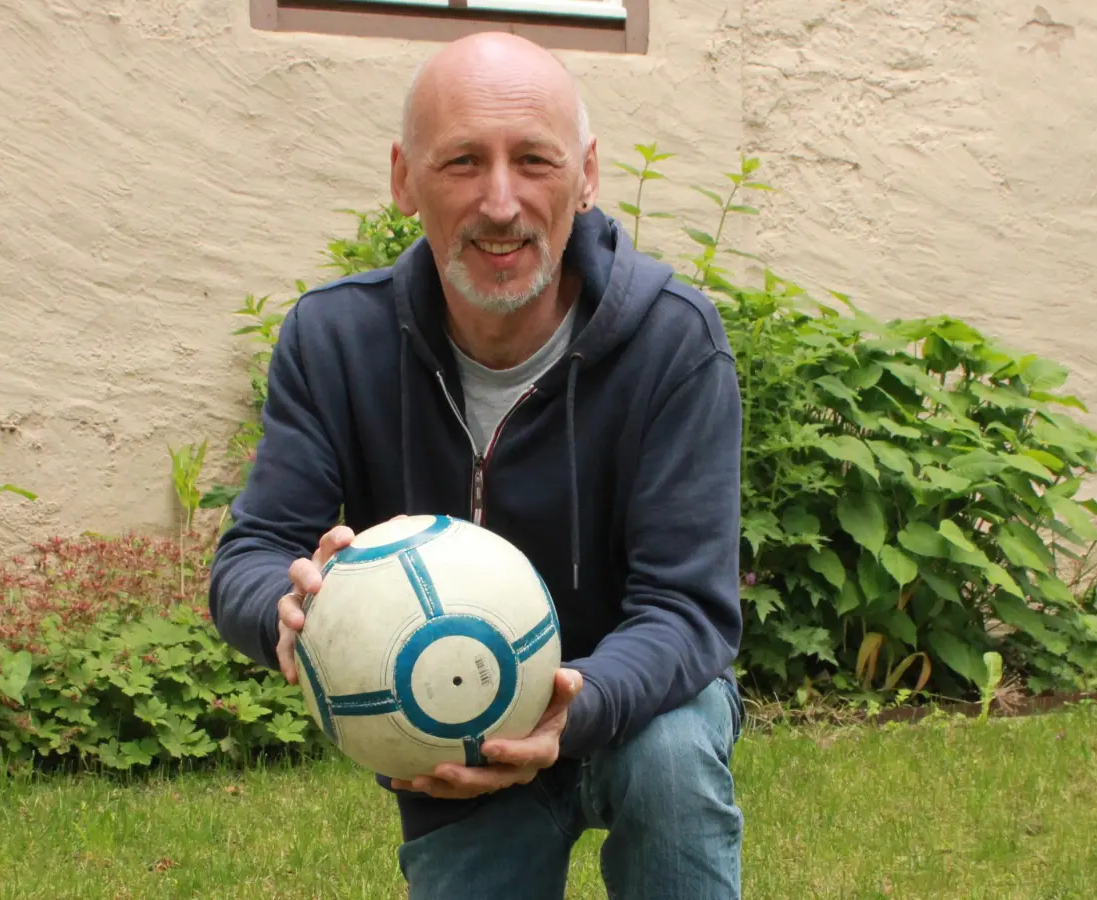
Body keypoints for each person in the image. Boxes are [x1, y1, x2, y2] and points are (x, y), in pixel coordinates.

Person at [208, 31, 746, 899]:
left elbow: (689, 609)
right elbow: (252, 551)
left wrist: (576, 704)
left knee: (672, 758)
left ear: (587, 175)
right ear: (403, 179)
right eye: (462, 161)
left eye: (534, 159)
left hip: (634, 704)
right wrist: (289, 606)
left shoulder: (673, 342)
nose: (502, 202)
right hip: (447, 728)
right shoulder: (335, 339)